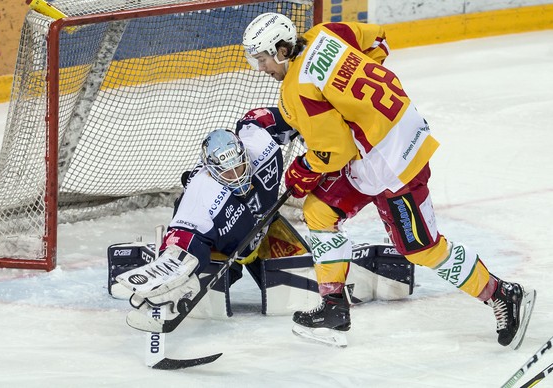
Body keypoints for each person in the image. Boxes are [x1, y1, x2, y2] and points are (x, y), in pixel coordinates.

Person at [242, 13, 536, 348]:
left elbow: (333, 152)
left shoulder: (297, 89)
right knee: (320, 212)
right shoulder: (328, 32)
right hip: (387, 142)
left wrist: (300, 173)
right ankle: (334, 307)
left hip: (394, 163)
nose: (262, 69)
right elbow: (377, 38)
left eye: (263, 60)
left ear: (281, 50)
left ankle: (502, 294)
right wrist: (363, 103)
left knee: (421, 248)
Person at [115, 107, 298, 316]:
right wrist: (172, 267)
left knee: (303, 293)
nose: (236, 176)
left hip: (265, 229)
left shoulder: (259, 143)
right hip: (227, 247)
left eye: (238, 167)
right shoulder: (203, 192)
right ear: (210, 170)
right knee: (206, 290)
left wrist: (316, 132)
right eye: (227, 172)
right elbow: (184, 240)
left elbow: (280, 117)